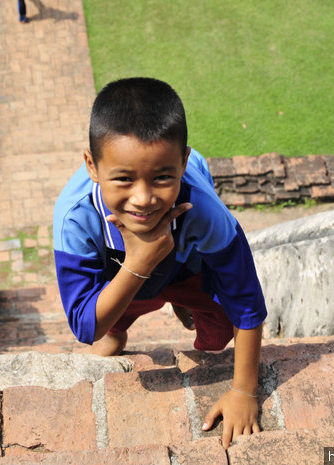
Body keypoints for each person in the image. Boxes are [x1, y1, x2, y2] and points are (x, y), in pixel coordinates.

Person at [53, 77, 267, 449]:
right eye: (122, 179)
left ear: (183, 163)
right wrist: (138, 260)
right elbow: (84, 325)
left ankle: (180, 301)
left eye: (162, 177)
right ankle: (126, 325)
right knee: (106, 331)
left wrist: (244, 392)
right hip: (120, 272)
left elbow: (246, 300)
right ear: (91, 165)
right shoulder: (75, 218)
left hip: (187, 265)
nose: (144, 199)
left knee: (215, 342)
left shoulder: (203, 209)